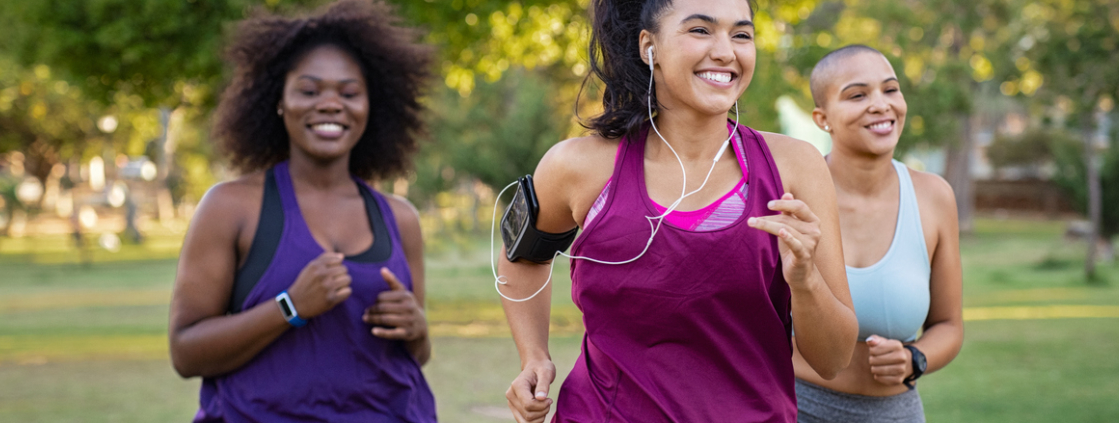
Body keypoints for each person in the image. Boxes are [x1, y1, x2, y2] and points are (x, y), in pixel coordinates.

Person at [497, 0, 858, 421]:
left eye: (741, 34)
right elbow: (522, 256)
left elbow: (833, 359)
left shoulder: (795, 167)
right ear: (649, 46)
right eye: (701, 31)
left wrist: (806, 279)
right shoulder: (578, 167)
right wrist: (533, 356)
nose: (726, 51)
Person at [166, 1, 437, 421]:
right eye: (309, 90)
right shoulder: (230, 207)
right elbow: (186, 353)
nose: (331, 104)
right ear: (277, 101)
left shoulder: (399, 218)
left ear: (371, 106)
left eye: (349, 93)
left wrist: (417, 328)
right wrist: (289, 307)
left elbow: (416, 356)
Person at [794, 45, 964, 423]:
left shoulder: (934, 197)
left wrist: (914, 358)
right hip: (795, 407)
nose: (881, 104)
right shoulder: (790, 195)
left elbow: (949, 325)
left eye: (890, 90)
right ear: (823, 118)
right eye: (857, 95)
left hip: (896, 413)